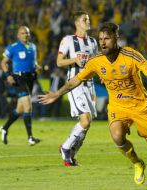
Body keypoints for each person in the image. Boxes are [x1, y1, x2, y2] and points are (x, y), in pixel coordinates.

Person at [38, 23, 147, 189]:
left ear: (116, 38)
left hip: (139, 105)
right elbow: (75, 81)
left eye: (107, 38)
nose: (103, 42)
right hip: (117, 106)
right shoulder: (96, 61)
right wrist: (56, 93)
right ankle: (137, 163)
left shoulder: (131, 55)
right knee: (117, 137)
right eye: (100, 39)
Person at [56, 11, 98, 166]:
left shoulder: (93, 42)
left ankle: (71, 156)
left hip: (90, 85)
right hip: (76, 84)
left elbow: (95, 63)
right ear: (76, 23)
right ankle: (65, 147)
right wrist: (75, 60)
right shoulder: (68, 40)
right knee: (85, 121)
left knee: (87, 125)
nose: (88, 21)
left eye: (88, 18)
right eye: (84, 19)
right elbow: (59, 62)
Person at [0, 26, 40, 146]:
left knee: (20, 109)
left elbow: (34, 61)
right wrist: (8, 75)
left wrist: (37, 67)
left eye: (27, 33)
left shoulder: (33, 47)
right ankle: (30, 138)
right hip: (18, 78)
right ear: (18, 35)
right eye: (22, 33)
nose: (25, 35)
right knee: (28, 107)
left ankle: (5, 128)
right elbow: (3, 62)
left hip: (30, 78)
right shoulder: (13, 48)